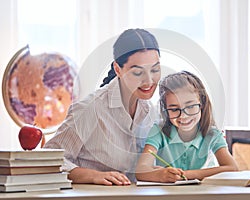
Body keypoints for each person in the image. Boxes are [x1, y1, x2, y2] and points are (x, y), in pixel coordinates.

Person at [44, 28, 161, 185]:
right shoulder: (90, 108)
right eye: (138, 73)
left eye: (154, 70)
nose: (149, 81)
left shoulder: (150, 112)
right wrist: (92, 176)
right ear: (118, 69)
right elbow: (49, 160)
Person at [135, 71, 238, 182]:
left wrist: (187, 174)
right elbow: (141, 170)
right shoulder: (158, 130)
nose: (183, 116)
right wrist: (158, 175)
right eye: (174, 109)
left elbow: (232, 169)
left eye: (190, 106)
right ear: (165, 110)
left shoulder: (212, 133)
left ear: (202, 104)